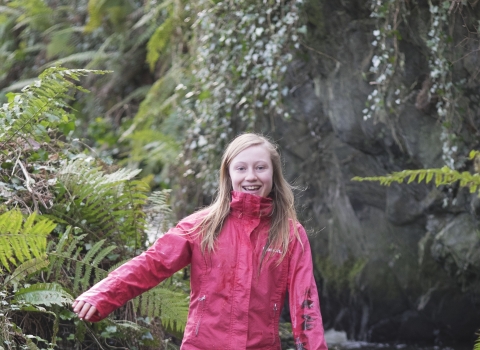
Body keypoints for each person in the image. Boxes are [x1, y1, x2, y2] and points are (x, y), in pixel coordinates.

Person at [73, 133, 328, 350]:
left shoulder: (290, 234)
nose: (251, 176)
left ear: (273, 174)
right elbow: (152, 264)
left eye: (260, 168)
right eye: (241, 168)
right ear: (228, 175)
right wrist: (102, 294)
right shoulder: (201, 226)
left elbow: (305, 303)